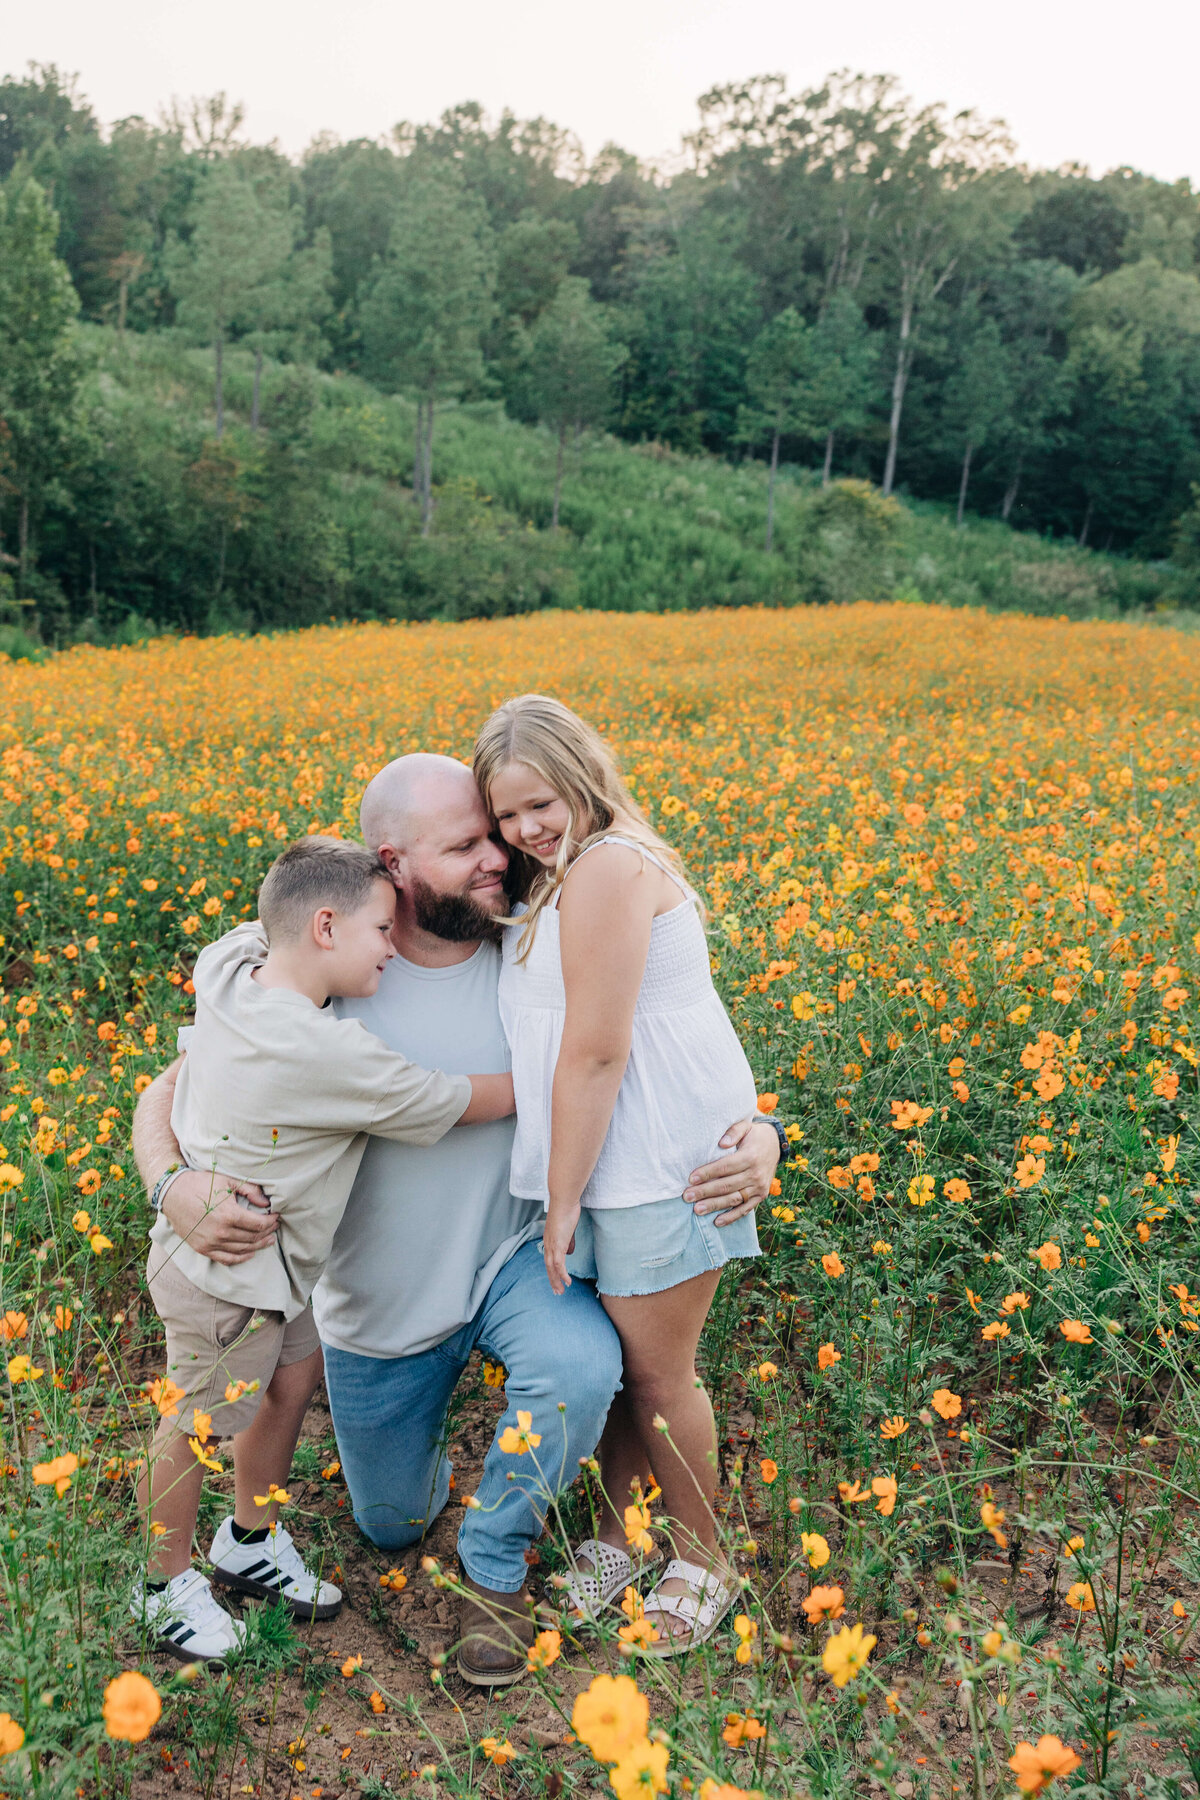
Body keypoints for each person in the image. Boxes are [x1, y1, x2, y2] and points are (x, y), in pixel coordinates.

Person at [133, 754, 782, 1686]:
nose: (496, 858)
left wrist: (763, 1130)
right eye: (466, 844)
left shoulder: (535, 941)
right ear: (390, 863)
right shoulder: (324, 962)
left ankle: (494, 1565)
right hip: (378, 1309)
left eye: (495, 834)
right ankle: (416, 1468)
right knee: (389, 1523)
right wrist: (172, 1185)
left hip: (516, 1263)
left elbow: (666, 1037)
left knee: (586, 1366)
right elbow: (172, 1086)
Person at [135, 836, 513, 1664]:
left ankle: (247, 1538)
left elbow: (260, 926)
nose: (393, 946)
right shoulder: (324, 1052)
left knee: (296, 1375)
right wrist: (567, 1076)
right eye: (384, 929)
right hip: (226, 1272)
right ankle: (162, 1585)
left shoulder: (232, 964)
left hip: (278, 1271)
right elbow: (454, 1100)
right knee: (198, 1421)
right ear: (330, 928)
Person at [475, 694, 766, 1656]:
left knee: (660, 1378)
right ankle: (618, 1536)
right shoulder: (561, 878)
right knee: (629, 1372)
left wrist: (559, 1204)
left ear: (583, 776)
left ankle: (701, 1558)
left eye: (540, 801)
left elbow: (598, 1053)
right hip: (614, 1159)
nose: (526, 828)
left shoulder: (604, 869)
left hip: (652, 1165)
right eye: (507, 814)